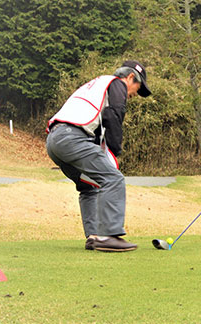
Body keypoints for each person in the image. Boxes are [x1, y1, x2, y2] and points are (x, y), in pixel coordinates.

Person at [46, 60, 151, 252]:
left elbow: (97, 130)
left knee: (89, 186)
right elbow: (114, 115)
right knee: (113, 178)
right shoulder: (116, 83)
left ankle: (94, 236)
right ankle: (108, 235)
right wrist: (116, 150)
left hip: (54, 141)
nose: (135, 94)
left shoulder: (98, 84)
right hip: (71, 138)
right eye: (138, 86)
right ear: (129, 77)